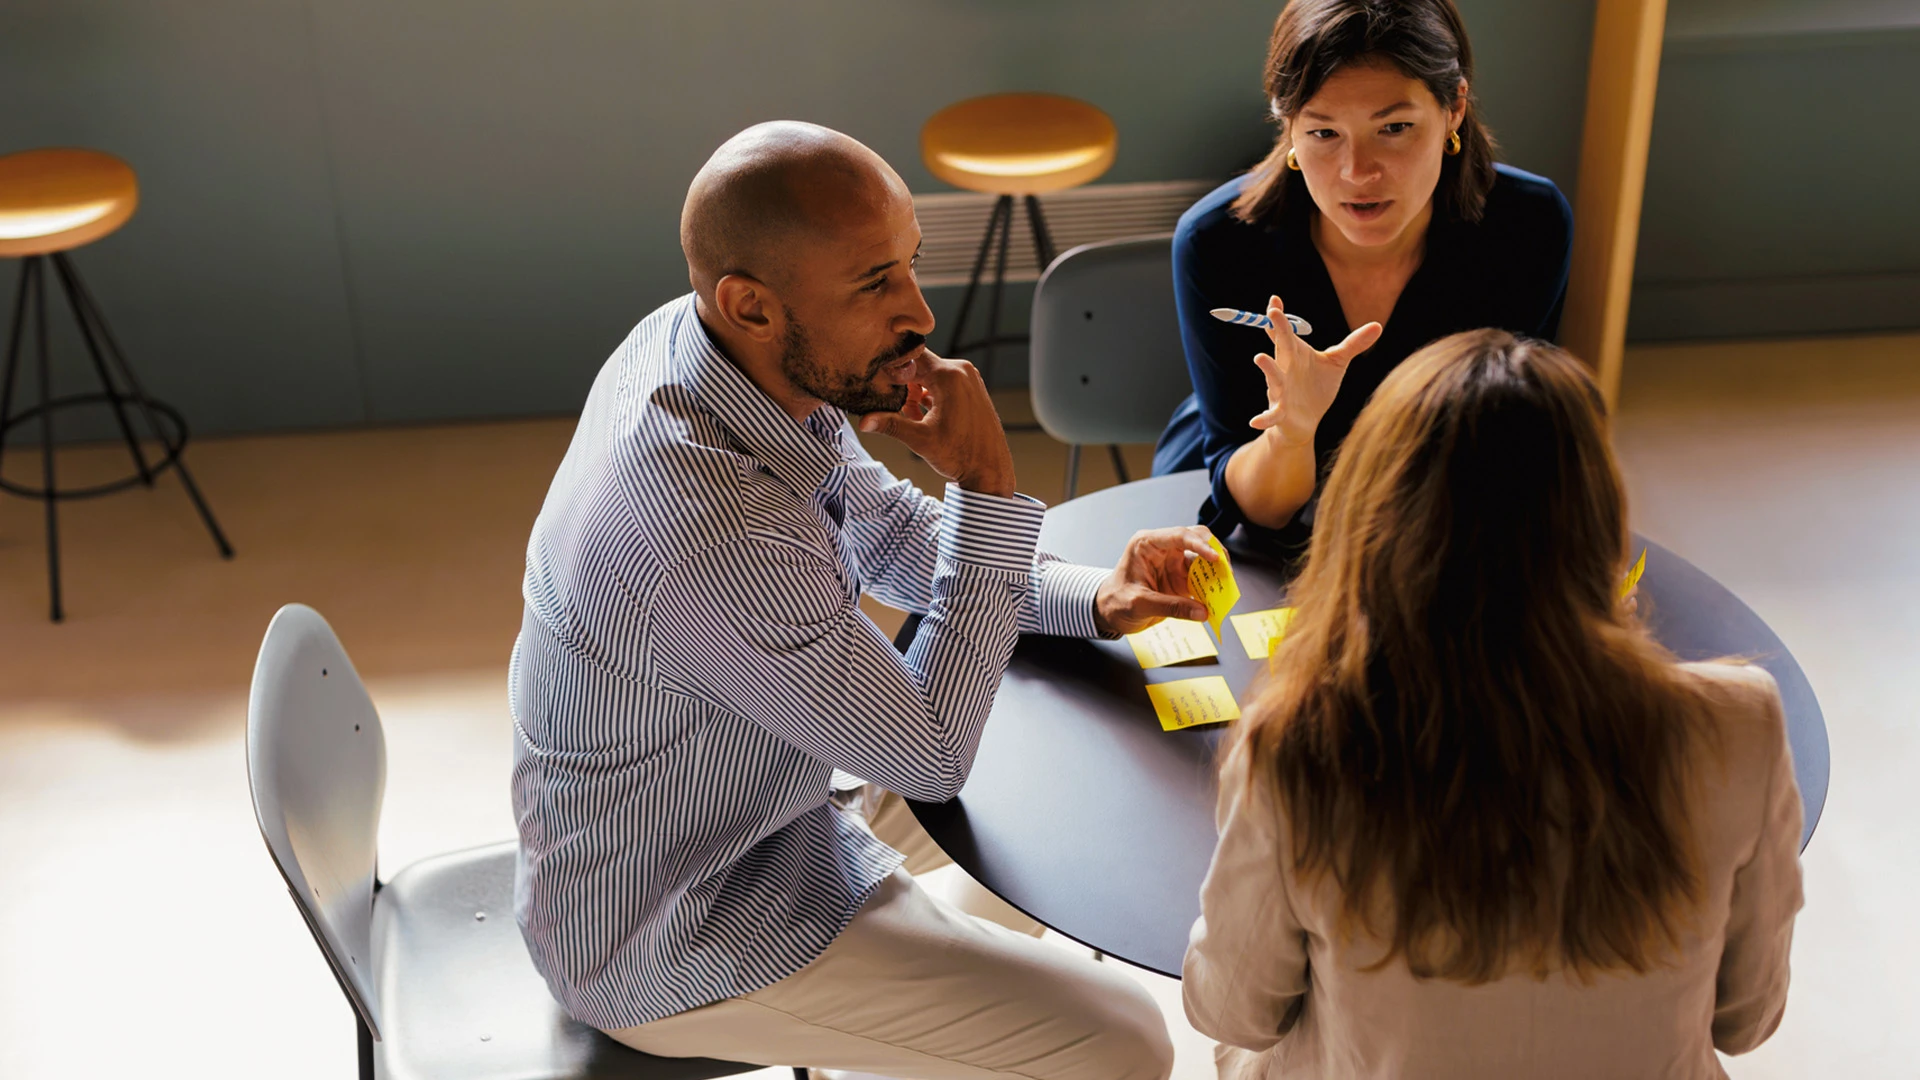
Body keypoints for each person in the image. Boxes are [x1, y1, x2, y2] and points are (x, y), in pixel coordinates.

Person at [509, 120, 1206, 1080]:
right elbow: (930, 756)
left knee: (1051, 759)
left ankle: (937, 1011)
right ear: (750, 304)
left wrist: (1098, 596)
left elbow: (892, 540)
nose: (919, 312)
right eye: (875, 283)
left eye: (910, 264)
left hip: (765, 797)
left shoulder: (716, 352)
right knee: (1124, 1040)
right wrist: (991, 493)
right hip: (681, 926)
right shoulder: (707, 517)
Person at [1183, 330, 1804, 1079]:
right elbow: (1746, 1020)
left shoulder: (1297, 744)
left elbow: (1232, 1012)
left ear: (1369, 522)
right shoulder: (1741, 724)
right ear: (1597, 517)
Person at [1152, 0, 1573, 558]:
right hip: (1261, 508)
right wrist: (1291, 434)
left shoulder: (1528, 226)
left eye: (1394, 127)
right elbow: (1261, 509)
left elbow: (1508, 437)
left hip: (1438, 503)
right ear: (1288, 126)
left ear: (1454, 109)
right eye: (1324, 133)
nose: (1358, 174)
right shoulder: (1218, 243)